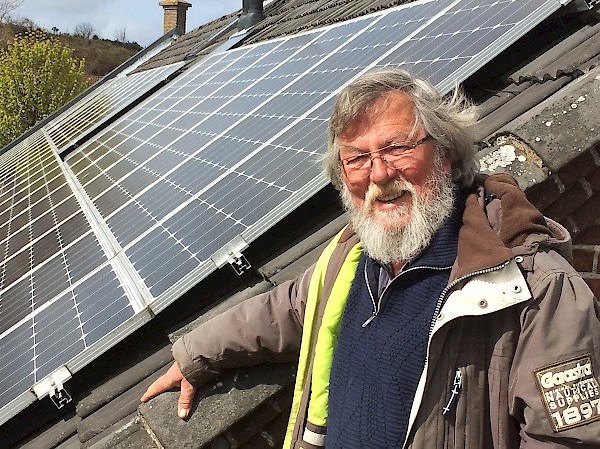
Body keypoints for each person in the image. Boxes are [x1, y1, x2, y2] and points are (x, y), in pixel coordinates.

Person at [141, 68, 600, 448]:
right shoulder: (351, 260)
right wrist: (193, 355)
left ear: (443, 155)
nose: (379, 174)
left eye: (397, 147)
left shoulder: (534, 289)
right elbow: (285, 311)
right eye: (357, 158)